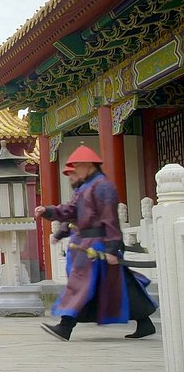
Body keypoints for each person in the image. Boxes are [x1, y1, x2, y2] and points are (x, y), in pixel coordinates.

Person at [35, 145, 157, 341]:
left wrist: (112, 248)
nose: (75, 171)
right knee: (117, 284)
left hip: (97, 244)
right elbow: (71, 210)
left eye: (77, 166)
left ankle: (65, 326)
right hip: (88, 244)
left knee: (80, 283)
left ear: (89, 165)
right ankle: (145, 322)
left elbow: (110, 219)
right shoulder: (85, 187)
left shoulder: (103, 186)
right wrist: (48, 211)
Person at [50, 166, 84, 275]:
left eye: (73, 174)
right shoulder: (78, 192)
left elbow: (71, 211)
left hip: (87, 240)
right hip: (78, 239)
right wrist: (59, 234)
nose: (70, 177)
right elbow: (71, 214)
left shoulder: (86, 191)